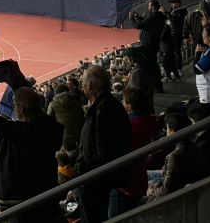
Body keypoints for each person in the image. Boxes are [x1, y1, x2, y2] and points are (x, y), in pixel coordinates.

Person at [0, 78, 63, 221]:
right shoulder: (51, 126)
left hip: (18, 199)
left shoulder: (19, 132)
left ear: (20, 109)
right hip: (46, 192)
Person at [74, 65, 132, 223]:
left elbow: (104, 155)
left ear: (90, 85)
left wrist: (81, 168)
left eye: (83, 84)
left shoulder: (104, 109)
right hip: (97, 182)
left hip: (96, 184)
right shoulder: (106, 105)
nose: (82, 87)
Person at [109, 87, 157, 217]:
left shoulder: (130, 127)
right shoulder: (150, 120)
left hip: (125, 186)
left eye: (124, 102)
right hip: (139, 180)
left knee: (115, 218)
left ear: (129, 107)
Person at [146, 113, 208, 200]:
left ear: (172, 131)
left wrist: (151, 191)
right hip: (176, 183)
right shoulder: (194, 146)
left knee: (142, 184)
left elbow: (166, 189)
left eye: (167, 128)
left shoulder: (174, 156)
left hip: (174, 193)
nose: (166, 131)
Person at [130, 0, 165, 91]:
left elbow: (140, 25)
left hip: (148, 46)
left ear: (153, 7)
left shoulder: (154, 16)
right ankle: (157, 86)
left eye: (149, 6)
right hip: (152, 45)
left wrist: (132, 19)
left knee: (148, 66)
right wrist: (138, 17)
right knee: (153, 65)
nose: (148, 7)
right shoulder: (158, 16)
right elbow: (146, 22)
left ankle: (150, 86)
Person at [47, 82, 85, 149]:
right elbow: (82, 114)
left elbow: (49, 123)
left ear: (56, 93)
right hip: (81, 133)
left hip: (65, 138)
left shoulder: (52, 104)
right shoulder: (75, 100)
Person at [166, 0, 187, 72]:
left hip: (176, 34)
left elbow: (174, 20)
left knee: (177, 52)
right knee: (175, 52)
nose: (171, 4)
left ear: (178, 4)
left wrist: (166, 12)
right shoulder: (174, 11)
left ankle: (178, 69)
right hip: (174, 34)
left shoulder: (180, 12)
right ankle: (176, 68)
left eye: (173, 3)